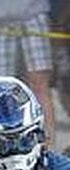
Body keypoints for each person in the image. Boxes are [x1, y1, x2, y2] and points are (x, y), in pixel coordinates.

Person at [0, 0, 56, 144]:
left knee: (39, 83)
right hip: (1, 22)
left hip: (34, 16)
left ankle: (47, 145)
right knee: (2, 85)